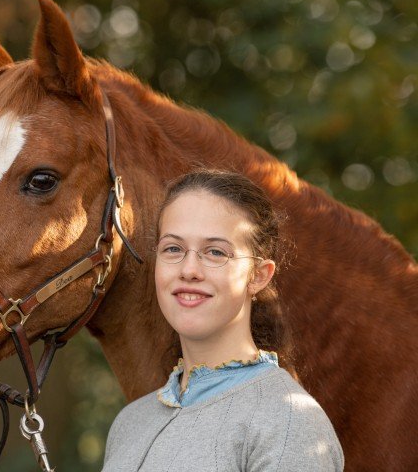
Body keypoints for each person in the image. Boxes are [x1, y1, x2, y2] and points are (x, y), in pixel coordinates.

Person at [102, 170, 344, 471]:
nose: (189, 269)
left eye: (216, 252)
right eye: (173, 249)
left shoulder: (289, 420)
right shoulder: (131, 422)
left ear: (257, 276)